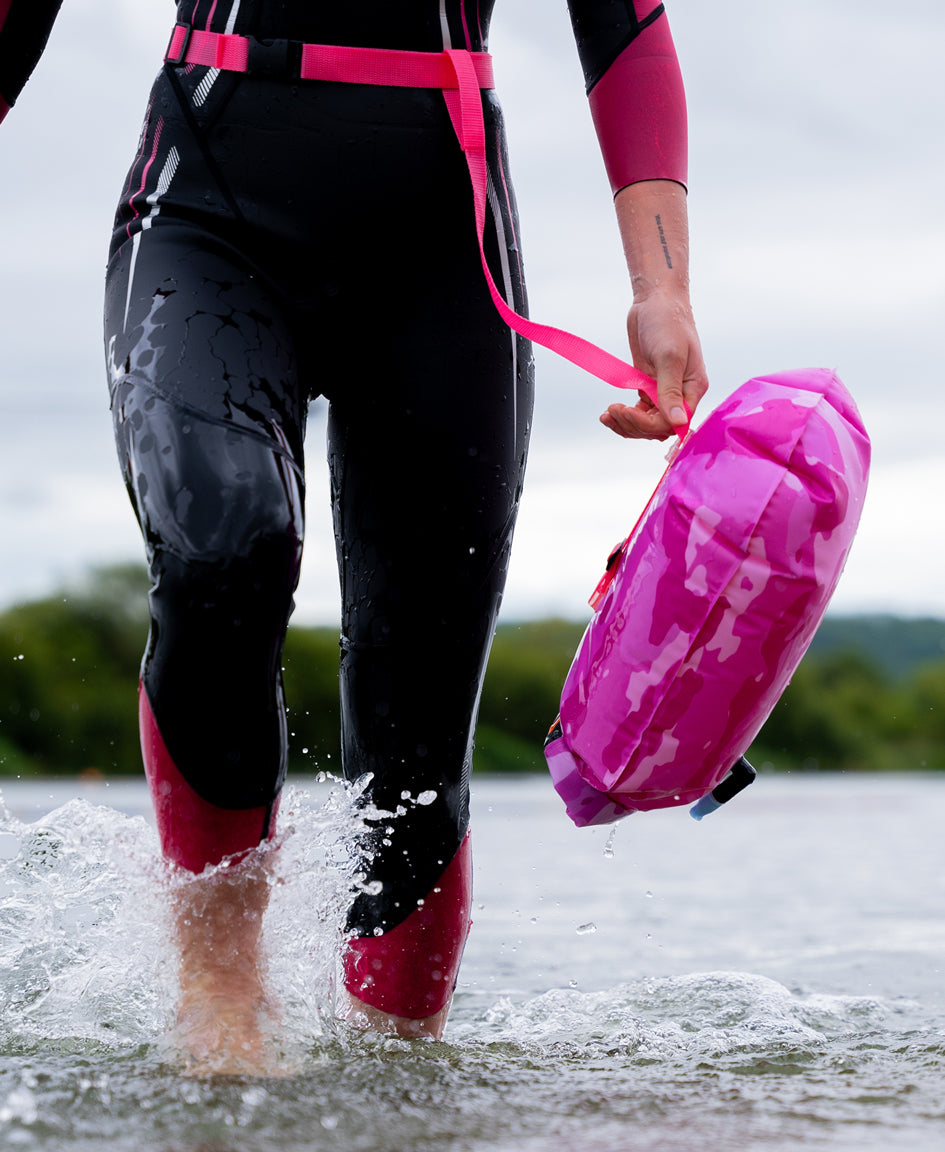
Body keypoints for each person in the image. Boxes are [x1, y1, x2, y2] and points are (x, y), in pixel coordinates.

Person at [1, 0, 707, 1067]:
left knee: (417, 726)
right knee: (223, 548)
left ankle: (403, 1084)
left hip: (445, 243)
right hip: (208, 204)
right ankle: (223, 1004)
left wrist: (663, 288)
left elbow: (625, 27)